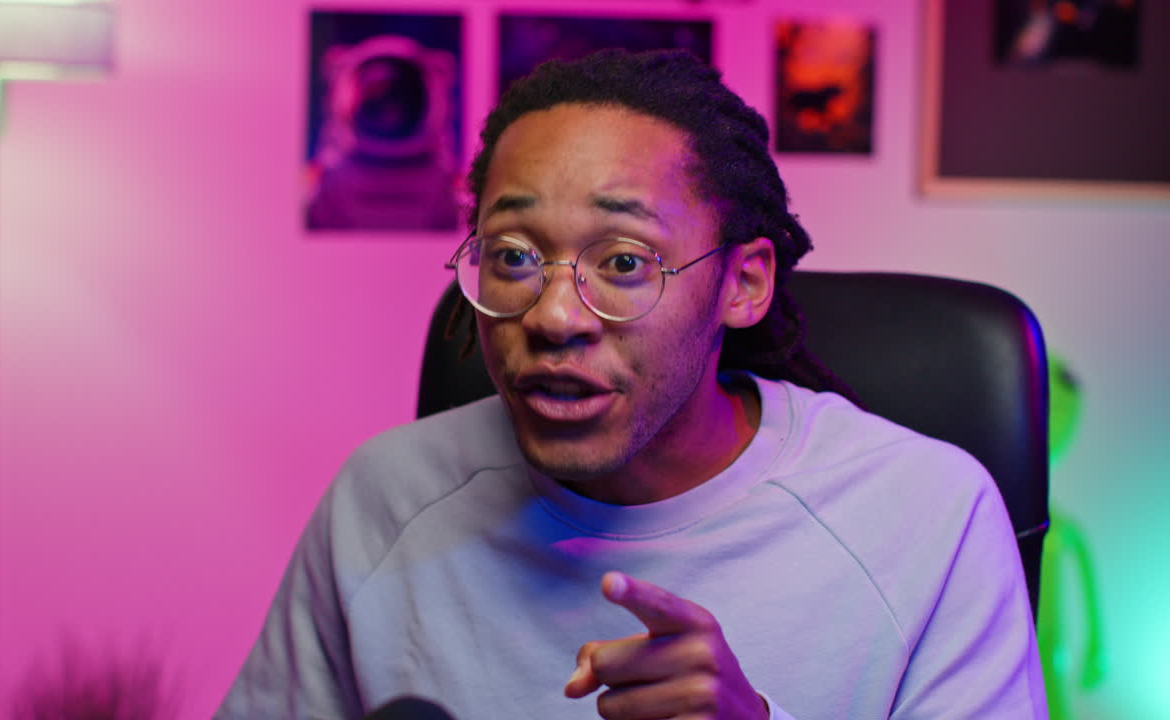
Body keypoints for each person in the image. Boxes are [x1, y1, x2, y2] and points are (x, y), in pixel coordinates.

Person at [217, 49, 1047, 720]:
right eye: (513, 256)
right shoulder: (384, 498)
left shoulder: (926, 515)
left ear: (743, 284)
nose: (553, 317)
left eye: (622, 262)